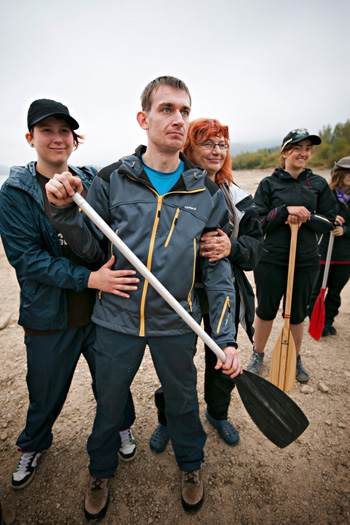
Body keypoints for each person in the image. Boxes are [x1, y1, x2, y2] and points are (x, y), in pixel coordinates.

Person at [45, 77, 242, 519]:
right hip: (117, 320)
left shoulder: (205, 192)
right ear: (144, 118)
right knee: (109, 400)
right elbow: (90, 246)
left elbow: (217, 272)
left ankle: (190, 466)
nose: (178, 119)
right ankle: (100, 470)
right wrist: (61, 209)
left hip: (179, 323)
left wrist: (226, 338)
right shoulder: (114, 179)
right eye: (167, 109)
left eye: (184, 111)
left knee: (183, 400)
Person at [0, 99, 138, 491]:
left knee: (111, 382)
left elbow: (115, 226)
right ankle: (33, 444)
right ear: (31, 138)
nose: (57, 139)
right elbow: (27, 260)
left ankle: (122, 427)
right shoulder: (15, 191)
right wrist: (89, 279)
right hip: (48, 315)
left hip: (102, 311)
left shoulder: (92, 180)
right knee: (45, 389)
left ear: (76, 140)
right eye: (47, 131)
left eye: (64, 131)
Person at [149, 118, 263, 453]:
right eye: (207, 143)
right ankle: (168, 419)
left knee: (223, 357)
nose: (217, 150)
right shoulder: (169, 192)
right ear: (188, 147)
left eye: (222, 144)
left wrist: (232, 247)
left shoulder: (239, 198)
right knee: (176, 361)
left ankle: (218, 414)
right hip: (179, 293)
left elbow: (255, 252)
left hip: (223, 290)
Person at [247, 128, 338, 383]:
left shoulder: (318, 184)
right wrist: (285, 210)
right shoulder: (268, 184)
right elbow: (258, 223)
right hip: (271, 259)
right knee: (265, 310)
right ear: (285, 152)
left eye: (308, 149)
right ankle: (258, 354)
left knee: (297, 313)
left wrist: (307, 216)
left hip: (306, 260)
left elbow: (330, 221)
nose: (304, 153)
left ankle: (295, 357)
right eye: (298, 148)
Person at [308, 156, 350, 336]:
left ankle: (329, 320)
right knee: (316, 289)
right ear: (338, 174)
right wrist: (330, 221)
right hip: (324, 251)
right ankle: (315, 319)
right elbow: (314, 216)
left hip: (345, 255)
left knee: (335, 291)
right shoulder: (327, 195)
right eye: (347, 172)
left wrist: (345, 230)